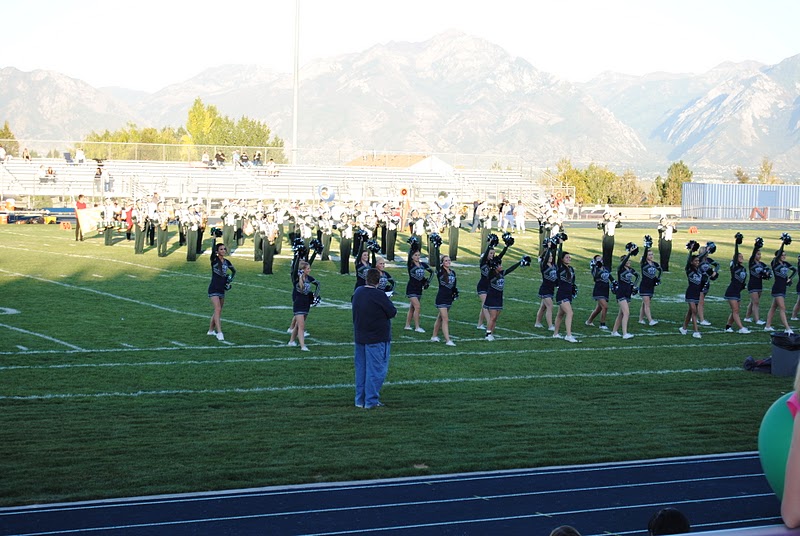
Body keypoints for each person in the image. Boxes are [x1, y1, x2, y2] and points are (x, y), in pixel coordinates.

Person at [352, 268, 397, 409]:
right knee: (376, 370)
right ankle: (371, 401)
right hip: (377, 338)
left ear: (366, 279)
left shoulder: (358, 292)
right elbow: (392, 312)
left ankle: (360, 400)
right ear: (378, 281)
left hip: (360, 336)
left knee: (362, 370)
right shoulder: (379, 295)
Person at [483, 254, 529, 341]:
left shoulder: (501, 273)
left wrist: (520, 262)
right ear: (495, 266)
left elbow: (510, 269)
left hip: (499, 298)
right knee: (492, 317)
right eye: (499, 265)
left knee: (495, 318)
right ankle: (488, 334)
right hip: (492, 298)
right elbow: (488, 271)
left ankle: (491, 333)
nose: (501, 266)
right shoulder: (491, 275)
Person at [764, 234, 796, 334]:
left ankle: (767, 326)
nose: (784, 256)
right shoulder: (775, 263)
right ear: (778, 256)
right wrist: (783, 243)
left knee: (774, 307)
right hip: (777, 288)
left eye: (785, 255)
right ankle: (787, 328)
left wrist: (789, 278)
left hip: (783, 288)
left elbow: (795, 270)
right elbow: (778, 255)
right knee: (782, 308)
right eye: (782, 255)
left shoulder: (786, 264)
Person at [476, 235, 510, 329]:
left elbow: (501, 255)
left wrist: (506, 246)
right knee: (485, 304)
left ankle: (480, 324)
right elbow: (486, 252)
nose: (492, 255)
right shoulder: (483, 262)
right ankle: (489, 325)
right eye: (490, 253)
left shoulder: (494, 263)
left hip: (490, 287)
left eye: (493, 254)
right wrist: (490, 244)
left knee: (485, 306)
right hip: (482, 286)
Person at [288, 260, 320, 351]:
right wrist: (297, 256)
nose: (310, 270)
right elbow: (294, 269)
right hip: (298, 304)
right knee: (301, 326)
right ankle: (303, 346)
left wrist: (315, 295)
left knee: (298, 325)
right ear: (303, 269)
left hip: (306, 304)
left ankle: (291, 341)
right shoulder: (296, 278)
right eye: (308, 269)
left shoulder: (308, 278)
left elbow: (318, 284)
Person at [207, 241, 235, 342]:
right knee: (217, 309)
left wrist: (229, 279)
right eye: (221, 249)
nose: (223, 250)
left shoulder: (227, 262)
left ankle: (210, 331)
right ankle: (219, 332)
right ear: (217, 251)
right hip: (213, 288)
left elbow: (234, 271)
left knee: (218, 311)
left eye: (224, 249)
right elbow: (212, 251)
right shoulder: (214, 260)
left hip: (222, 289)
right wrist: (214, 238)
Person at [404, 240, 434, 333]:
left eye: (418, 255)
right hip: (411, 288)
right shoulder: (410, 264)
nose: (417, 257)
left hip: (419, 289)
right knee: (417, 306)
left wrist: (427, 282)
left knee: (412, 307)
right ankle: (417, 327)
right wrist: (412, 245)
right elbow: (409, 256)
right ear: (412, 256)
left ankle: (407, 325)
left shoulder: (423, 265)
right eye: (415, 255)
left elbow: (432, 272)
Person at [723, 233, 751, 333]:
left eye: (742, 256)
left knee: (736, 311)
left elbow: (742, 280)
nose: (741, 257)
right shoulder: (734, 266)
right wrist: (736, 243)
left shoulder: (743, 268)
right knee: (735, 310)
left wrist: (744, 286)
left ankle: (728, 326)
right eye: (740, 256)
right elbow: (736, 253)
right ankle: (741, 328)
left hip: (737, 291)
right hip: (731, 291)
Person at [611, 244, 639, 339]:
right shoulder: (620, 269)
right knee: (626, 313)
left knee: (621, 313)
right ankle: (625, 333)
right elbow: (623, 263)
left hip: (628, 292)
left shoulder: (631, 270)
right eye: (627, 261)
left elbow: (638, 276)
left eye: (630, 261)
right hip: (621, 292)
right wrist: (629, 254)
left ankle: (614, 331)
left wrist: (634, 285)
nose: (629, 262)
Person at [680, 241, 705, 339]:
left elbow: (701, 257)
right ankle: (696, 331)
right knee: (694, 311)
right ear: (691, 262)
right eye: (695, 261)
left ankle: (684, 328)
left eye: (698, 261)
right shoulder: (689, 269)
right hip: (690, 293)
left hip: (697, 293)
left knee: (691, 311)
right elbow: (688, 260)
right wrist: (690, 251)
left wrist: (705, 251)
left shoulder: (699, 270)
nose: (697, 263)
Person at [553, 248, 578, 343]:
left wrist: (573, 288)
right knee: (570, 313)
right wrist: (560, 243)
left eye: (569, 257)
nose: (569, 259)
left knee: (560, 314)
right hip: (562, 294)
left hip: (568, 294)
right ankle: (568, 335)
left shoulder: (571, 269)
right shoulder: (560, 267)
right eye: (566, 257)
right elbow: (558, 254)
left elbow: (572, 281)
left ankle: (555, 334)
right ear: (562, 259)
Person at [431, 255, 457, 346]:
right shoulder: (440, 271)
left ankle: (434, 336)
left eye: (449, 260)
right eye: (446, 260)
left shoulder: (453, 272)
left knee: (440, 318)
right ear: (442, 262)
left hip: (449, 298)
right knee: (445, 319)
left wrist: (455, 292)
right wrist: (436, 248)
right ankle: (448, 340)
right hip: (441, 298)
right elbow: (437, 263)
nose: (448, 262)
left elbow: (454, 285)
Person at [534, 238, 559, 331]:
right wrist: (548, 248)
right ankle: (550, 326)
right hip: (545, 289)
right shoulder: (543, 265)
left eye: (552, 256)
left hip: (551, 289)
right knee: (550, 307)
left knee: (543, 307)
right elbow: (546, 255)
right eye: (549, 256)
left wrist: (558, 244)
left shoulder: (553, 266)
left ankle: (537, 323)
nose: (551, 257)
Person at [638, 235, 662, 326]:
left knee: (644, 304)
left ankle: (640, 319)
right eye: (649, 254)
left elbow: (661, 270)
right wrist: (646, 247)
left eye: (652, 254)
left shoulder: (654, 264)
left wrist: (658, 278)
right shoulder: (643, 263)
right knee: (647, 304)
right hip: (644, 285)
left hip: (651, 285)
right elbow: (644, 256)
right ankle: (650, 320)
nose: (651, 256)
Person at [744, 237, 770, 324]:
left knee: (753, 302)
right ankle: (757, 320)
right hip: (752, 284)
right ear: (754, 255)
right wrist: (756, 246)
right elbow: (753, 254)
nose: (759, 256)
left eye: (760, 254)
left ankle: (747, 317)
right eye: (758, 254)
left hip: (759, 285)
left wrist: (767, 274)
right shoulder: (751, 263)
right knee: (756, 302)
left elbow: (768, 271)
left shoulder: (762, 264)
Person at [586, 255, 612, 330]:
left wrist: (614, 282)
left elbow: (609, 276)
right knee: (605, 307)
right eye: (598, 259)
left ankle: (589, 321)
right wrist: (596, 266)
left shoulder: (605, 268)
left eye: (601, 259)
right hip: (599, 290)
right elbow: (595, 276)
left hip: (605, 290)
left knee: (599, 308)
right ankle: (602, 324)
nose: (600, 260)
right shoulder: (595, 269)